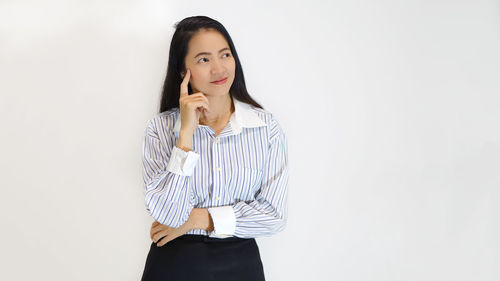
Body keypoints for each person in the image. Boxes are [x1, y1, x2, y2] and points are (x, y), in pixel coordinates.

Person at [140, 15, 289, 281]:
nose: (219, 69)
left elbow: (273, 216)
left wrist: (196, 219)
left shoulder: (265, 128)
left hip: (241, 266)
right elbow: (168, 214)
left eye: (225, 55)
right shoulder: (160, 130)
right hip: (173, 267)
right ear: (182, 71)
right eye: (204, 59)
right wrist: (185, 135)